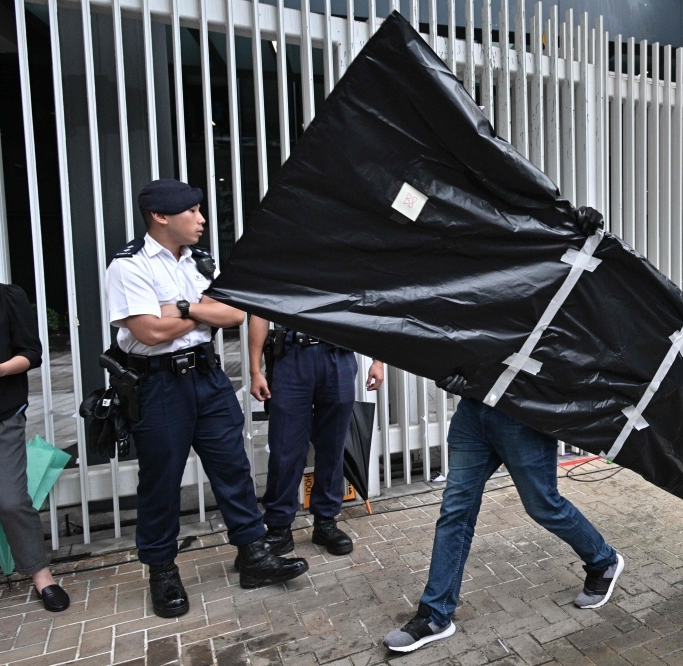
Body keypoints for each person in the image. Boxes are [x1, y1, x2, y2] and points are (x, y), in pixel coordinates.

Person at [383, 207, 623, 654]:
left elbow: (596, 290)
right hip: (475, 411)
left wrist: (589, 229)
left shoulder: (551, 267)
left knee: (543, 505)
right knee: (456, 510)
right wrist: (447, 372)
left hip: (524, 412)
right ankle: (435, 614)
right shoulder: (476, 266)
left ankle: (604, 560)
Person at [106, 179, 309, 619]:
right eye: (193, 212)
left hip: (207, 376)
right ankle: (161, 570)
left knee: (232, 467)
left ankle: (252, 555)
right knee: (161, 481)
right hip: (158, 385)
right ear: (161, 217)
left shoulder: (198, 260)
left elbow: (235, 312)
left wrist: (177, 307)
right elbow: (148, 332)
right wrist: (199, 308)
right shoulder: (129, 266)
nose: (202, 219)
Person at [247, 318, 384, 557]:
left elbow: (367, 302)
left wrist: (378, 359)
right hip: (292, 357)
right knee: (284, 448)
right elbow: (259, 314)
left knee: (333, 447)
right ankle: (279, 528)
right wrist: (255, 370)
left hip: (338, 355)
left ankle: (325, 522)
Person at [0, 259, 70, 613]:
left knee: (9, 499)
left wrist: (2, 369)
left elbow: (31, 353)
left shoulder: (6, 298)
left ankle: (40, 575)